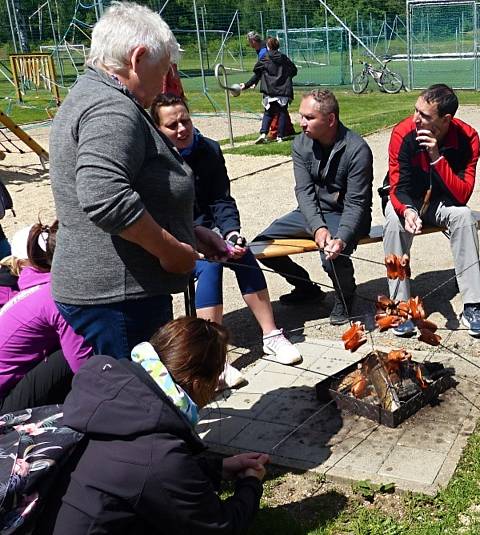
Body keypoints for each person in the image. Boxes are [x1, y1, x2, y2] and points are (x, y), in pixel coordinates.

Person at [48, 2, 228, 360]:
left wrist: (189, 232)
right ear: (137, 58)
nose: (164, 82)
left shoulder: (91, 93)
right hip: (119, 297)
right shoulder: (112, 109)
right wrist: (171, 251)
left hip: (109, 291)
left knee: (124, 397)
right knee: (137, 404)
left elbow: (131, 187)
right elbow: (105, 197)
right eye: (162, 70)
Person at [42, 317, 267, 533]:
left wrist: (218, 468)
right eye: (217, 376)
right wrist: (250, 484)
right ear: (198, 384)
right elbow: (221, 527)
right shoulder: (158, 454)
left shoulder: (115, 404)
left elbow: (143, 479)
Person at [150, 93, 302, 365]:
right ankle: (213, 355)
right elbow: (159, 213)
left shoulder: (208, 149)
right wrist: (195, 239)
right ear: (158, 129)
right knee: (211, 265)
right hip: (175, 238)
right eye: (172, 126)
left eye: (185, 120)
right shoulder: (154, 161)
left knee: (242, 254)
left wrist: (232, 232)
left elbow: (221, 198)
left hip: (213, 233)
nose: (182, 129)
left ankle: (271, 336)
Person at [382, 84, 480, 339]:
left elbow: (462, 194)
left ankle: (473, 306)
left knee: (464, 217)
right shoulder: (403, 132)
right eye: (415, 110)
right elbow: (396, 188)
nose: (415, 118)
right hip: (406, 199)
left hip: (442, 202)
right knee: (394, 223)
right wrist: (408, 211)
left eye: (425, 115)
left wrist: (435, 156)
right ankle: (399, 308)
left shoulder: (468, 137)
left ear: (446, 120)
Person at [256, 89, 373, 326]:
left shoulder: (357, 149)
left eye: (309, 118)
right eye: (301, 116)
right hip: (312, 213)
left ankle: (345, 297)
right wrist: (318, 227)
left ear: (330, 120)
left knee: (331, 254)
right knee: (260, 246)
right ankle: (305, 287)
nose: (301, 123)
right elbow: (304, 192)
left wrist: (340, 238)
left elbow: (356, 203)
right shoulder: (301, 143)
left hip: (347, 214)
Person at [0, 223, 92, 413]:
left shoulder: (28, 293)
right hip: (4, 406)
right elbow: (82, 364)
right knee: (73, 353)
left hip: (9, 385)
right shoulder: (56, 295)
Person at [240, 36, 297, 144]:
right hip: (283, 91)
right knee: (282, 112)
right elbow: (294, 70)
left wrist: (247, 85)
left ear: (268, 46)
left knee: (268, 113)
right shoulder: (284, 58)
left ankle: (263, 133)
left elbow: (257, 74)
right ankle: (280, 136)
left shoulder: (265, 58)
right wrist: (285, 77)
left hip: (270, 90)